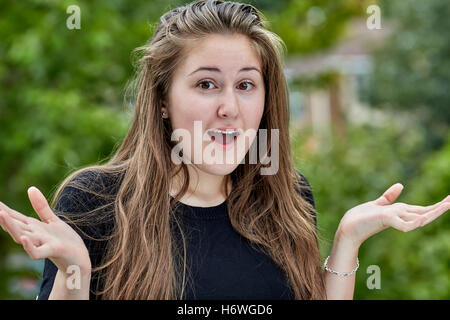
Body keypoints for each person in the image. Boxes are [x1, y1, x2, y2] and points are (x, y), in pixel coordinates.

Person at [0, 0, 448, 300]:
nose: (230, 107)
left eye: (246, 85)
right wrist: (73, 271)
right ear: (161, 101)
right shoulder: (95, 200)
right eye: (206, 84)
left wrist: (348, 241)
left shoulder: (287, 198)